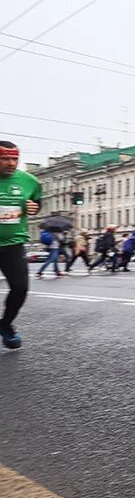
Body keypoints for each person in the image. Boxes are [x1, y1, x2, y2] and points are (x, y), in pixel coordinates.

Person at [0, 141, 41, 349]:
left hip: (13, 244)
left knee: (20, 288)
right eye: (5, 158)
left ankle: (5, 325)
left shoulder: (29, 181)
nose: (11, 163)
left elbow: (36, 203)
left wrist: (34, 208)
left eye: (14, 158)